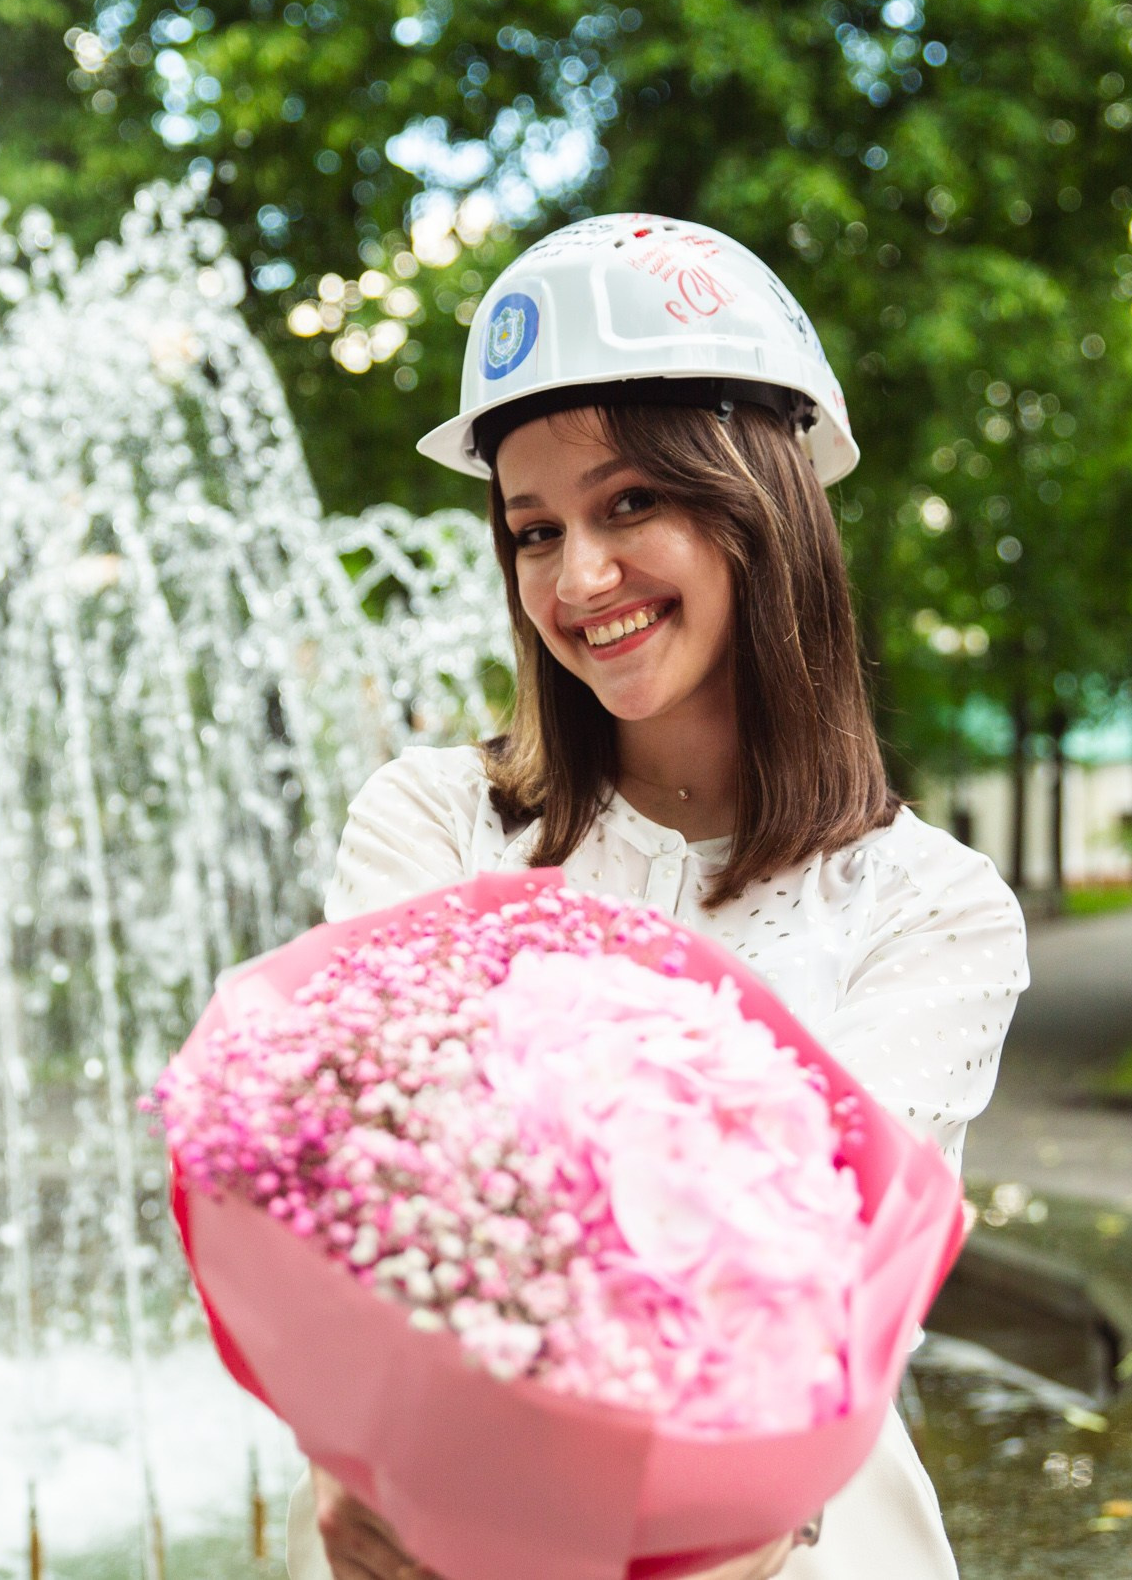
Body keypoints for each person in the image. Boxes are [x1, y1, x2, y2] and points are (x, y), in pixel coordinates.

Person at [284, 215, 1028, 1580]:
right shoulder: (431, 827)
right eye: (535, 530)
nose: (578, 578)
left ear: (761, 503)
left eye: (630, 503)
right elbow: (361, 1200)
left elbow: (821, 1302)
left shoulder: (930, 910)